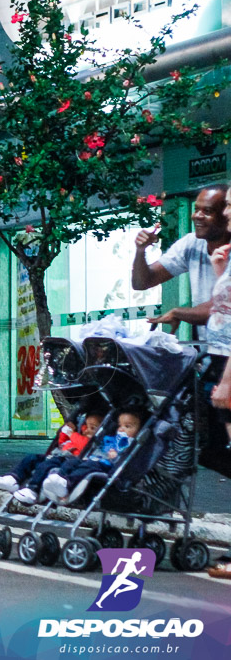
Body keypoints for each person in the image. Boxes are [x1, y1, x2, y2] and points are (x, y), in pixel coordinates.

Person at [132, 184, 230, 335]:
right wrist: (140, 251)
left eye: (208, 211)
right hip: (213, 346)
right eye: (196, 209)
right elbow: (142, 282)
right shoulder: (191, 244)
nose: (197, 215)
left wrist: (178, 312)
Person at [198, 188, 231, 579]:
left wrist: (226, 378)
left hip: (227, 366)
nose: (225, 214)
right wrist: (221, 273)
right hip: (219, 360)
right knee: (208, 448)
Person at [0, 411, 102, 505]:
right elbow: (62, 443)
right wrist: (65, 433)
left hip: (66, 460)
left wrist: (72, 434)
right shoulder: (80, 436)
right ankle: (14, 478)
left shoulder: (91, 443)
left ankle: (33, 489)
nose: (87, 430)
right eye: (85, 426)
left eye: (92, 428)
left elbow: (83, 445)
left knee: (47, 465)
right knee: (31, 458)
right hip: (57, 455)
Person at [42, 409, 144, 501]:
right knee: (74, 462)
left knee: (86, 468)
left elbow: (126, 456)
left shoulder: (132, 443)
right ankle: (59, 478)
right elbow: (102, 446)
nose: (121, 429)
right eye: (120, 425)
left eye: (127, 426)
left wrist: (116, 454)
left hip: (106, 465)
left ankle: (67, 483)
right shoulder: (112, 439)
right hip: (93, 459)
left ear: (139, 431)